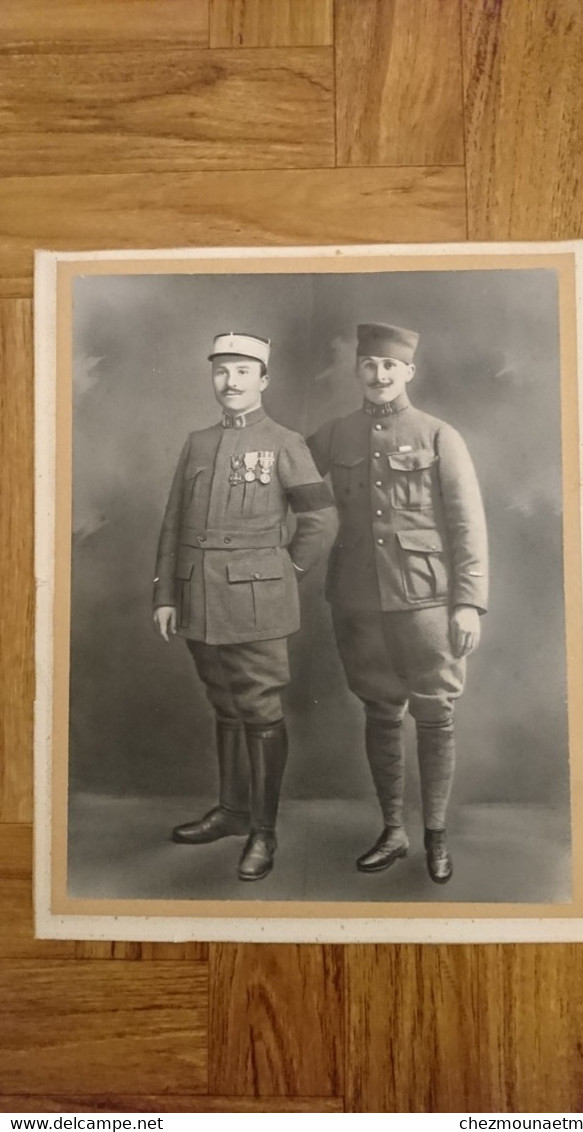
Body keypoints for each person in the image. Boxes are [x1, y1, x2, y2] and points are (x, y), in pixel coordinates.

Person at [153, 331, 338, 882]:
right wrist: (166, 593)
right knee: (224, 705)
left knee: (258, 709)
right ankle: (231, 813)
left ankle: (263, 829)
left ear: (263, 380)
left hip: (257, 600)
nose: (229, 382)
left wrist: (286, 573)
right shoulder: (197, 442)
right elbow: (173, 523)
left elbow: (321, 520)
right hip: (197, 598)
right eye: (220, 371)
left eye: (241, 371)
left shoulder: (284, 442)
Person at [307, 322, 488, 883]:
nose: (379, 375)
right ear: (357, 370)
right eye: (369, 365)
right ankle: (393, 831)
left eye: (390, 366)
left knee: (435, 716)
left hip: (428, 603)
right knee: (381, 713)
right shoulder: (333, 436)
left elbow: (466, 524)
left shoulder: (439, 436)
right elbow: (287, 491)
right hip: (357, 602)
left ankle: (435, 835)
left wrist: (468, 603)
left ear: (409, 371)